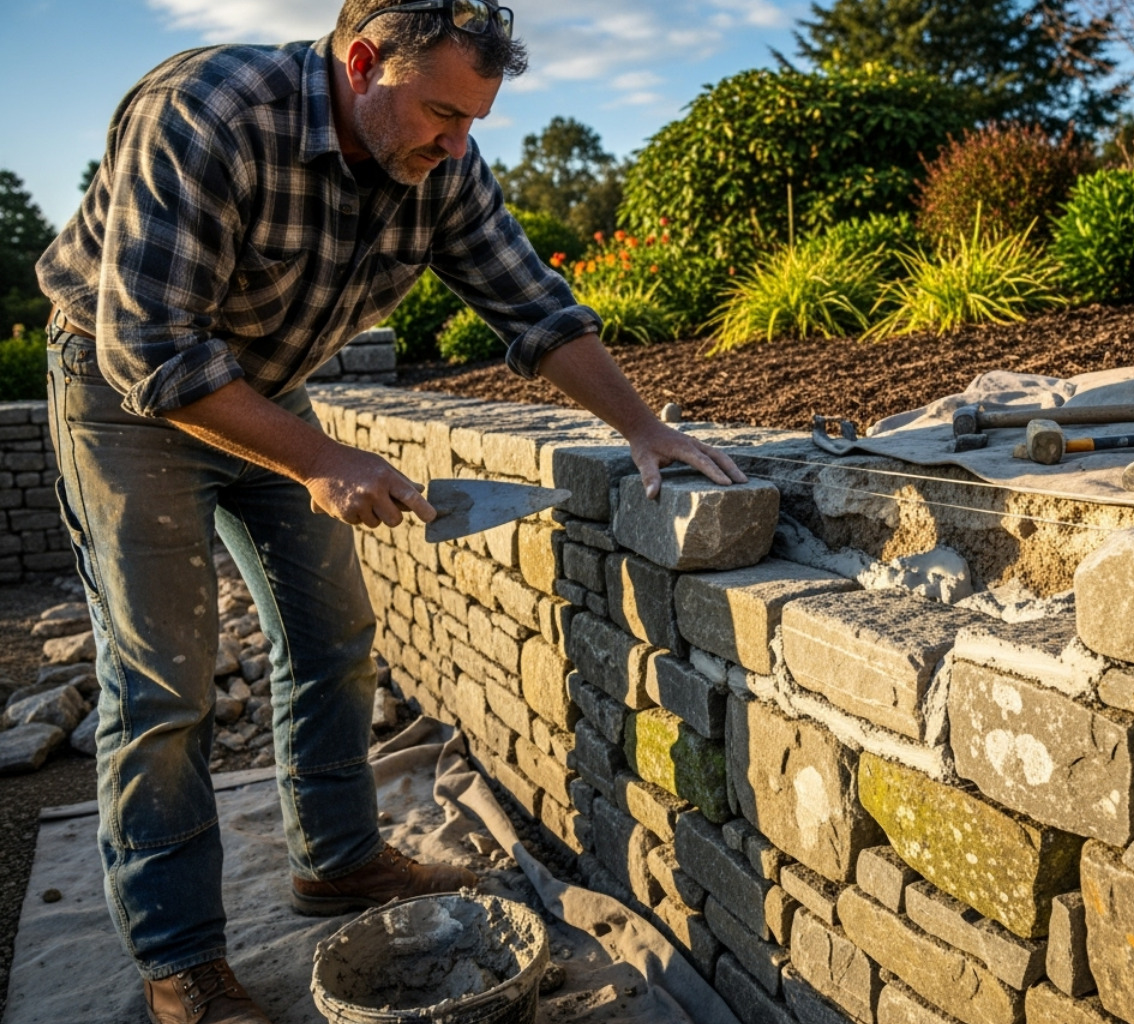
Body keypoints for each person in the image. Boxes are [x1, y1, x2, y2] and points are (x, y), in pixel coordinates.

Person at [36, 2, 745, 1021]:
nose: (459, 144)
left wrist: (644, 428)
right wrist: (322, 459)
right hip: (123, 394)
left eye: (475, 121)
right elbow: (151, 355)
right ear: (363, 60)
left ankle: (337, 861)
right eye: (443, 113)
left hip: (262, 382)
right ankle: (182, 963)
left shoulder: (442, 162)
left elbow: (530, 305)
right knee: (165, 680)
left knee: (333, 632)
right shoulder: (210, 114)